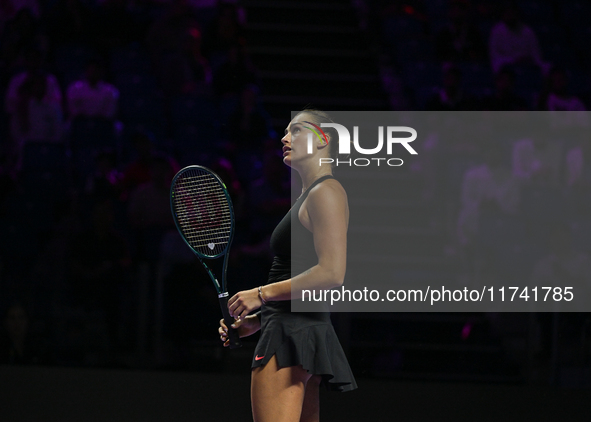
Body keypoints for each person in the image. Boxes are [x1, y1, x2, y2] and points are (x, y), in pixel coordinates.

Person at [219, 109, 357, 421]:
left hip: (289, 338)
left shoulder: (325, 192)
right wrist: (258, 320)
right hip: (298, 332)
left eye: (295, 131)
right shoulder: (314, 194)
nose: (284, 138)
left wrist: (261, 293)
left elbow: (332, 273)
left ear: (323, 139)